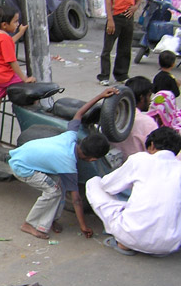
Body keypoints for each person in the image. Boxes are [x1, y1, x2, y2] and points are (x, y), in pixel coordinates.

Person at [8, 88, 119, 240]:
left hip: (23, 155)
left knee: (59, 187)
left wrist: (100, 96)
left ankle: (50, 219)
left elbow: (79, 114)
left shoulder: (71, 136)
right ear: (92, 159)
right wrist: (83, 226)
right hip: (22, 167)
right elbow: (76, 200)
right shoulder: (68, 164)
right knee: (53, 191)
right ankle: (29, 224)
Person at [86, 126, 181, 256]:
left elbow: (108, 186)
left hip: (131, 236)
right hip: (171, 243)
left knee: (94, 182)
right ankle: (159, 245)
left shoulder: (140, 159)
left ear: (152, 145)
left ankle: (123, 242)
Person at [0, 6, 36, 146]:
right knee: (32, 96)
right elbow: (12, 62)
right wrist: (24, 79)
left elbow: (9, 42)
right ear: (4, 24)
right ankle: (31, 131)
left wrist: (20, 32)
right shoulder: (5, 39)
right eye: (15, 22)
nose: (17, 24)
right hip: (7, 77)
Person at [96, 0, 142, 86]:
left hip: (129, 18)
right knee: (107, 49)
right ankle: (104, 76)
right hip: (116, 17)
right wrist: (110, 20)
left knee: (125, 48)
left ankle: (121, 75)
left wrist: (135, 7)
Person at [110, 76, 158, 160]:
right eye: (149, 96)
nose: (150, 101)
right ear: (141, 98)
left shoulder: (111, 117)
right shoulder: (147, 123)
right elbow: (157, 153)